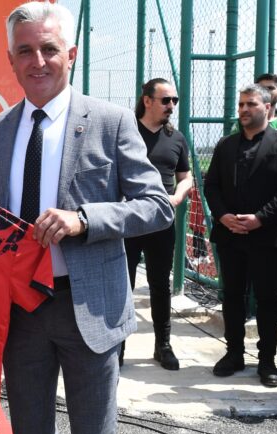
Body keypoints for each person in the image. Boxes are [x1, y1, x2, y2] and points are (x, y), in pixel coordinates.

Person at [0, 3, 172, 434]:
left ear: (71, 54)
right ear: (10, 60)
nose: (38, 61)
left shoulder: (110, 121)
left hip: (89, 309)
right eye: (25, 51)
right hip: (20, 311)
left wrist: (84, 220)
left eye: (49, 48)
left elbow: (157, 206)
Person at [203, 84, 277, 388]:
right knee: (232, 296)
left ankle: (267, 362)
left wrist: (259, 219)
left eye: (250, 104)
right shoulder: (226, 144)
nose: (243, 109)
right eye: (241, 104)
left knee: (268, 300)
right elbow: (211, 185)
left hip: (267, 236)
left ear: (267, 108)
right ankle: (234, 354)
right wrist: (223, 216)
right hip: (230, 234)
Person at [120, 78, 193, 370]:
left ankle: (163, 345)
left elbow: (185, 176)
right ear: (147, 100)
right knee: (122, 284)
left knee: (160, 284)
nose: (171, 106)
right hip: (128, 220)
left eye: (174, 100)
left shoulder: (176, 138)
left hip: (161, 222)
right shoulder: (125, 133)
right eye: (165, 100)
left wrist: (177, 197)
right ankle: (117, 346)